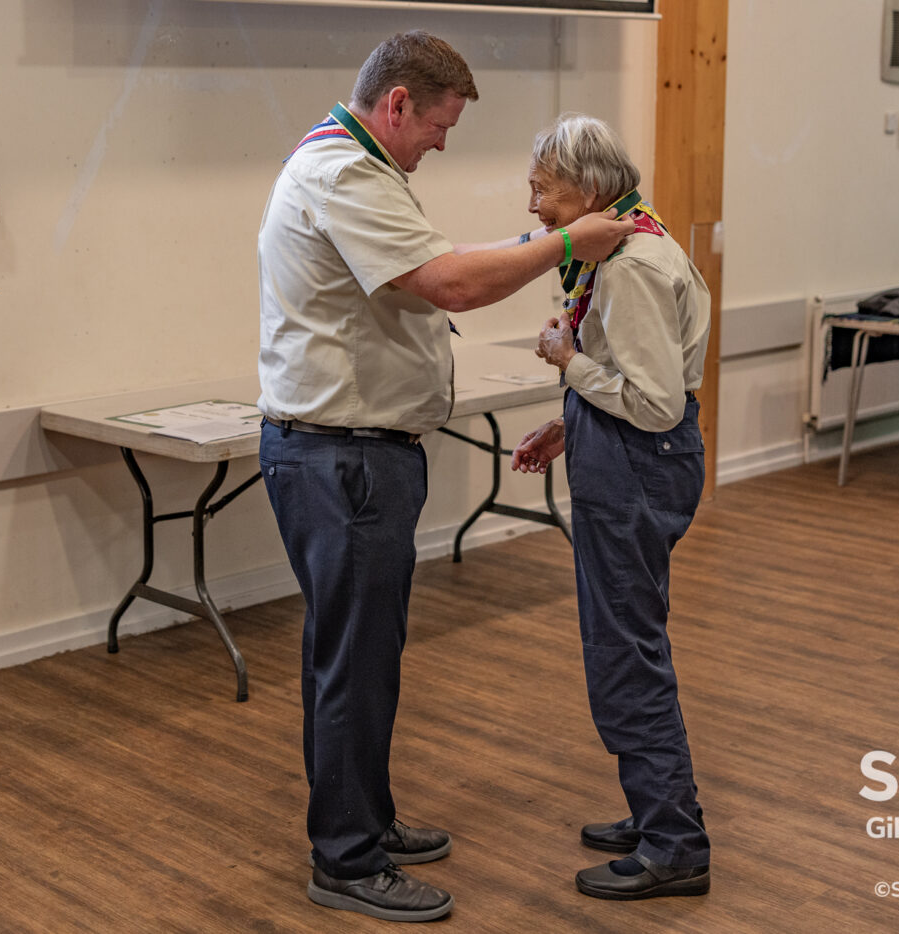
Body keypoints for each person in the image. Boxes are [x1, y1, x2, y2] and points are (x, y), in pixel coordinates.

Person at [256, 34, 634, 923]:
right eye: (437, 124)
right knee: (353, 664)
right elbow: (452, 286)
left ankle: (367, 821)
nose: (441, 143)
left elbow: (436, 275)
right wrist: (567, 240)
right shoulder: (343, 177)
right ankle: (345, 860)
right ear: (395, 106)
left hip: (358, 453)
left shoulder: (358, 168)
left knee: (365, 658)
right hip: (342, 456)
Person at [509, 113, 712, 900]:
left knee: (625, 653)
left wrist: (568, 364)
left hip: (637, 465)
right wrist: (571, 423)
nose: (533, 208)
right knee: (629, 642)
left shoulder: (628, 268)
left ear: (590, 192)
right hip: (626, 454)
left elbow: (655, 405)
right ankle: (657, 809)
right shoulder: (637, 238)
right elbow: (642, 379)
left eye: (542, 191)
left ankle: (674, 843)